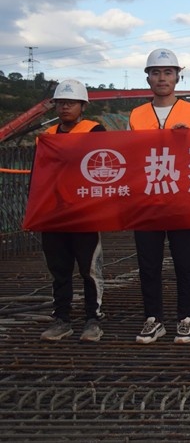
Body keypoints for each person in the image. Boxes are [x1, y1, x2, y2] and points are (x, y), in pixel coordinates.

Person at [129, 48, 190, 344]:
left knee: (184, 263)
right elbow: (129, 154)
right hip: (147, 199)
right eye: (156, 73)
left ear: (177, 77)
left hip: (181, 199)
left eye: (167, 72)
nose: (162, 78)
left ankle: (185, 318)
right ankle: (153, 319)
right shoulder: (136, 114)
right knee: (148, 264)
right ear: (148, 78)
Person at [38, 80, 106, 342]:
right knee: (59, 270)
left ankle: (93, 319)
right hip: (54, 213)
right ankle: (62, 319)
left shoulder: (94, 131)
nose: (65, 107)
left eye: (71, 103)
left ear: (82, 106)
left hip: (84, 212)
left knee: (89, 269)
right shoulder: (47, 136)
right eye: (61, 103)